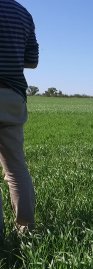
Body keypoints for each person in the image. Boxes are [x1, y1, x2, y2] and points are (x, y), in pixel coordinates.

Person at [0, 0, 39, 237]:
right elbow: (32, 60)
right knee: (15, 168)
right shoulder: (22, 13)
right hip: (12, 96)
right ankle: (25, 229)